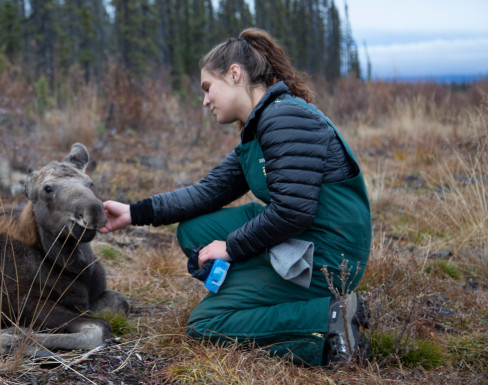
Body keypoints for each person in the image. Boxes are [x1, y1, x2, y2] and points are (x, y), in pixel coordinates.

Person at [98, 28, 371, 366]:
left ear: (235, 74)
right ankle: (252, 296)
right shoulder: (260, 126)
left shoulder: (285, 118)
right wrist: (133, 212)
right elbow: (209, 191)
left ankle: (328, 317)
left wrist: (231, 247)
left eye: (207, 88)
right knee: (193, 232)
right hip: (302, 238)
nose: (205, 101)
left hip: (328, 257)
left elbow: (293, 212)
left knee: (205, 324)